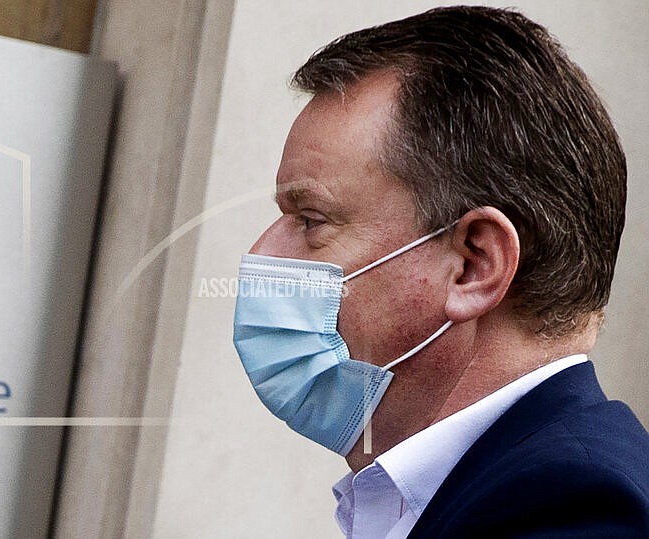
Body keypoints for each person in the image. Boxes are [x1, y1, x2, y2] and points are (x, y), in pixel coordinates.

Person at [231, 6, 649, 538]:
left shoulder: (575, 507)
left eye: (311, 220)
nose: (264, 251)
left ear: (474, 265)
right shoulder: (467, 490)